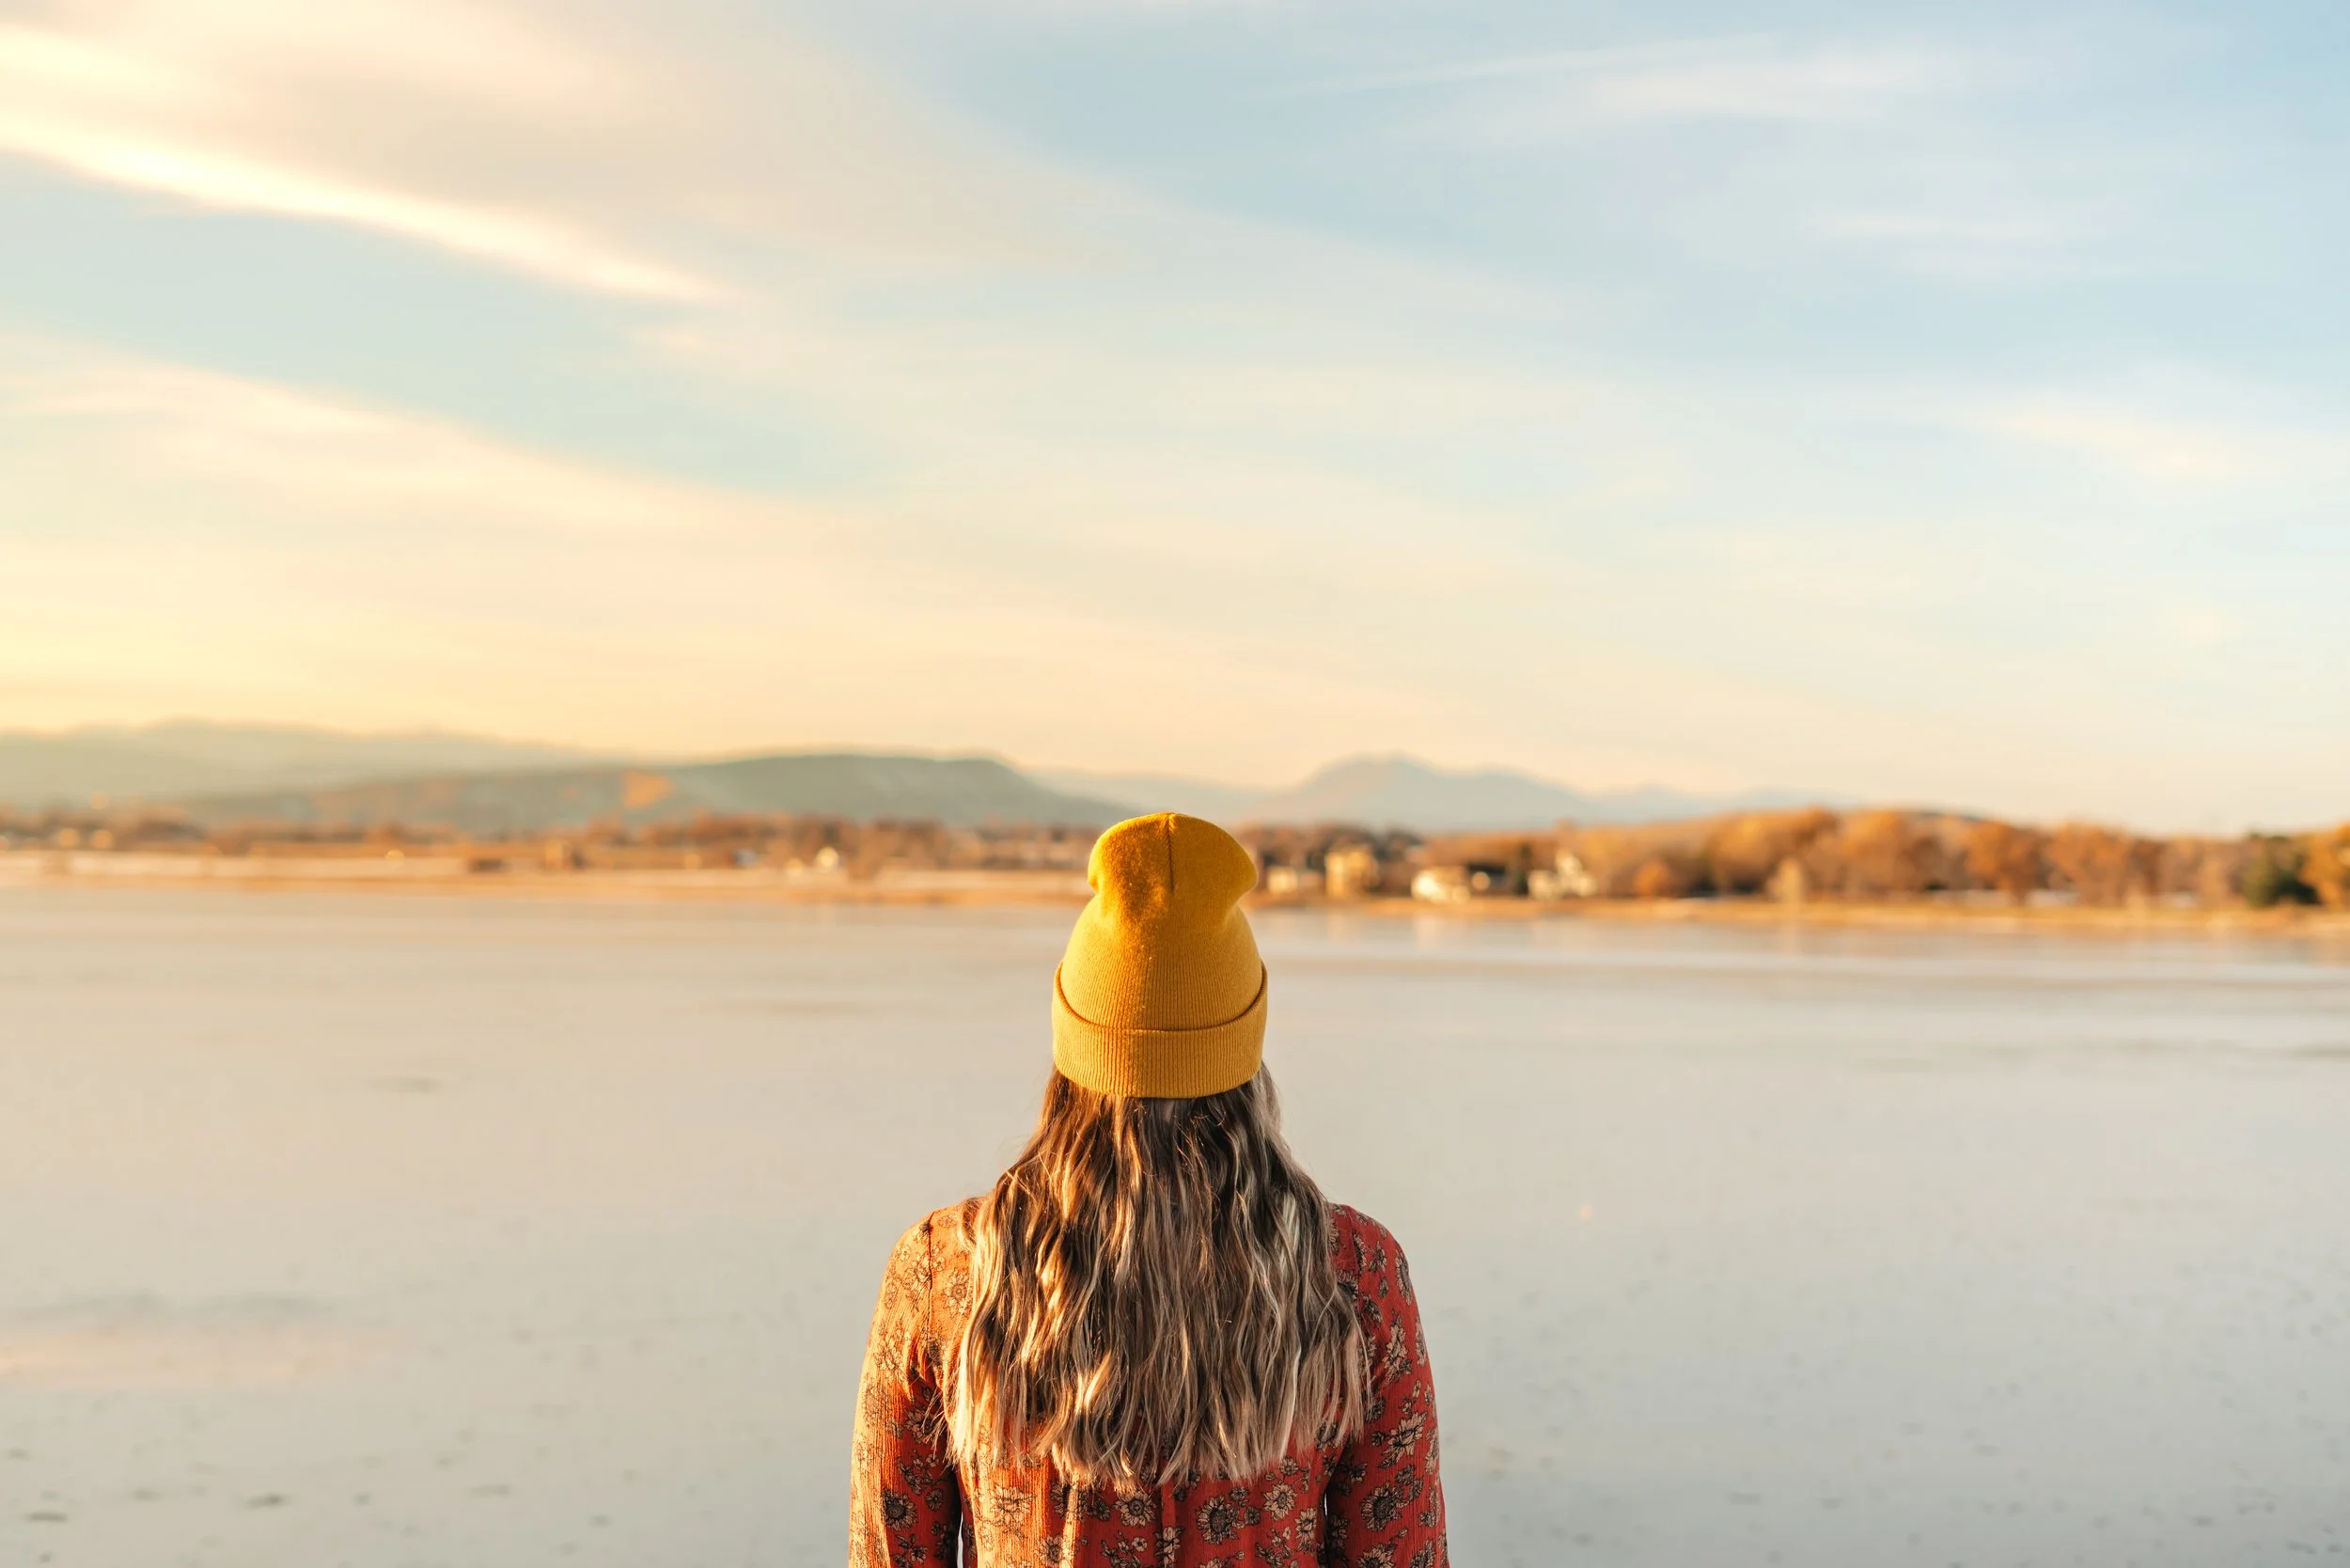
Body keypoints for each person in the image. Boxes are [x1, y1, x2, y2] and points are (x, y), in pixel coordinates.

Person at [850, 812, 1449, 1568]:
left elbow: (888, 1554)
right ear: (1245, 1054)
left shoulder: (946, 1271)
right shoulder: (1353, 1274)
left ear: (1073, 1049)